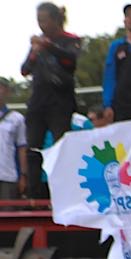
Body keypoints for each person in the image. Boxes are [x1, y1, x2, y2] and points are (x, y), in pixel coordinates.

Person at [21, 2, 80, 199]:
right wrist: (35, 50)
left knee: (61, 147)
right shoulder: (39, 43)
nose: (41, 24)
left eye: (44, 20)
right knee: (33, 148)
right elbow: (25, 70)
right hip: (38, 102)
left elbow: (71, 61)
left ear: (55, 19)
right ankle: (33, 194)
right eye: (38, 20)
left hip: (60, 103)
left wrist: (49, 46)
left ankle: (65, 191)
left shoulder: (70, 40)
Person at [0, 78, 28, 201]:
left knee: (8, 216)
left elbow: (22, 148)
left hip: (8, 176)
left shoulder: (17, 118)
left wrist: (23, 175)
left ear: (7, 91)